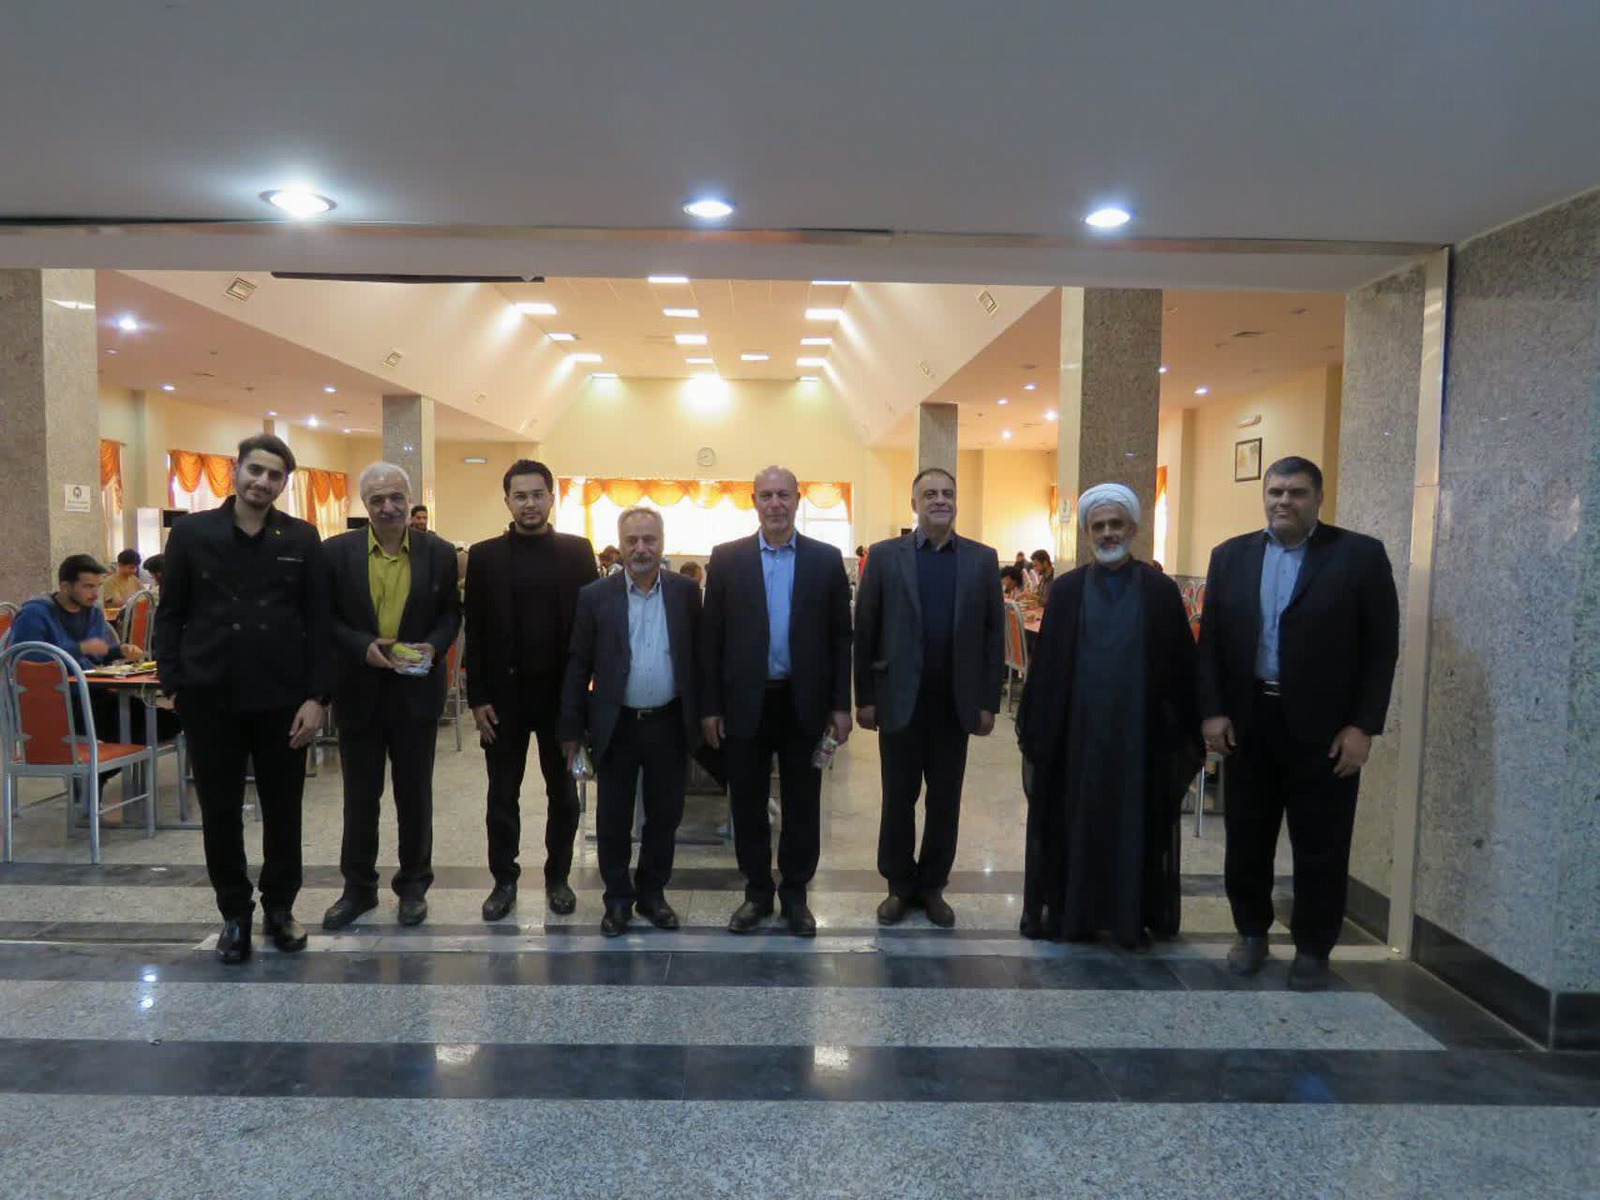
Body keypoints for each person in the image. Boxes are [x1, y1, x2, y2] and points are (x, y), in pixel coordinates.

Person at [1198, 456, 1399, 991]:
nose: (1284, 501)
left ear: (1319, 499)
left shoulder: (1358, 556)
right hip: (1250, 721)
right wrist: (1213, 711)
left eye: (1297, 492)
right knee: (1247, 836)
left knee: (1322, 843)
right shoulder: (1231, 556)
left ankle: (1313, 948)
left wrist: (1363, 726)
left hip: (1326, 730)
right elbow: (1211, 641)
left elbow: (1381, 649)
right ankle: (1251, 932)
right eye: (1276, 491)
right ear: (1264, 496)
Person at [153, 434, 332, 964]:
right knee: (220, 811)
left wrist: (318, 697)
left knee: (285, 810)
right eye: (256, 470)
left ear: (284, 484)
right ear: (236, 470)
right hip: (210, 694)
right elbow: (171, 613)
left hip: (283, 698)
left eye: (275, 475)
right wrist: (173, 682)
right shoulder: (192, 533)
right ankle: (234, 913)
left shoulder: (301, 537)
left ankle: (280, 907)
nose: (263, 481)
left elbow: (319, 622)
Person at [1016, 483, 1202, 950]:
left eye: (1116, 524)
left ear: (1133, 529)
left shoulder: (1159, 591)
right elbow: (1048, 668)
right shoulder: (1067, 590)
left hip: (1140, 738)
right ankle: (1075, 913)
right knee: (1076, 822)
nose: (1107, 533)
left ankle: (1129, 916)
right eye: (1098, 526)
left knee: (1133, 825)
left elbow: (1181, 667)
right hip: (1078, 736)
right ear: (1087, 533)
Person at [700, 466, 852, 936]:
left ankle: (796, 896)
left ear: (798, 499)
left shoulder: (825, 560)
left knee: (803, 804)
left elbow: (840, 638)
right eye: (766, 495)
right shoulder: (727, 559)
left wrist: (840, 705)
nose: (775, 504)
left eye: (783, 494)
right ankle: (757, 893)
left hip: (803, 704)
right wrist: (710, 707)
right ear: (754, 502)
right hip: (745, 703)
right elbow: (711, 638)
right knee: (747, 803)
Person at [854, 468, 1004, 928]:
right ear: (914, 503)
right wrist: (865, 697)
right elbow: (866, 629)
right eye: (930, 494)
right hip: (900, 701)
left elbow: (993, 636)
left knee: (945, 801)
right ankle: (899, 886)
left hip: (954, 705)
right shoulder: (884, 556)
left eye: (948, 493)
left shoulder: (981, 559)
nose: (940, 500)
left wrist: (988, 701)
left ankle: (933, 885)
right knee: (898, 798)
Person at [321, 463, 460, 931]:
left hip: (416, 690)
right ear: (364, 504)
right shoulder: (335, 553)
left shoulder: (438, 553)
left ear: (410, 498)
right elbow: (325, 618)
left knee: (415, 796)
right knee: (360, 798)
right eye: (377, 499)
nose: (388, 507)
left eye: (396, 497)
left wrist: (434, 646)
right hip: (358, 690)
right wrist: (361, 646)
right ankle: (357, 889)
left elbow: (450, 614)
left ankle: (414, 887)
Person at [465, 459, 598, 922]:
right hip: (503, 701)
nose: (529, 504)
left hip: (562, 701)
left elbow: (591, 629)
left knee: (564, 795)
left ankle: (558, 877)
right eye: (520, 496)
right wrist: (477, 697)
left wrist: (584, 701)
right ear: (507, 501)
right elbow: (475, 631)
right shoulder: (485, 556)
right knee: (502, 796)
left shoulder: (577, 552)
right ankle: (504, 880)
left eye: (537, 494)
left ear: (551, 498)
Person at [560, 508, 701, 937]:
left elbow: (701, 656)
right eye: (632, 541)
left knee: (665, 816)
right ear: (620, 545)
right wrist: (571, 728)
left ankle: (653, 895)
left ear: (662, 542)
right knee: (613, 819)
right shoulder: (595, 596)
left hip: (669, 722)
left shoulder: (685, 592)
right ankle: (618, 900)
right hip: (616, 724)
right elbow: (578, 664)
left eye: (649, 540)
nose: (641, 549)